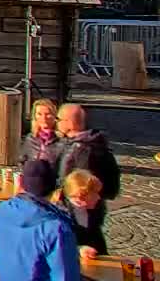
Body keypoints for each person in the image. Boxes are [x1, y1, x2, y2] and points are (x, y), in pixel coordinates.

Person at [0, 159, 82, 281]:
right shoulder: (57, 229)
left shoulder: (1, 211)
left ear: (21, 182)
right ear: (54, 189)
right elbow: (65, 277)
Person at [55, 103, 120, 256]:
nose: (56, 122)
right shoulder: (84, 143)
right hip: (84, 213)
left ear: (69, 123)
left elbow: (79, 187)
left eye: (59, 119)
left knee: (89, 253)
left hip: (81, 215)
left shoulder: (84, 150)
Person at [53, 169, 106, 257]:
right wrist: (78, 249)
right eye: (95, 193)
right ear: (81, 197)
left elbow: (97, 236)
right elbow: (56, 244)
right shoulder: (59, 215)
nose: (99, 197)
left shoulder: (96, 208)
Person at [20, 99, 62, 166]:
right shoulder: (30, 138)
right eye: (39, 114)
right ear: (35, 117)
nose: (44, 118)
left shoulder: (61, 140)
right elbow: (22, 162)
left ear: (54, 116)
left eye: (47, 114)